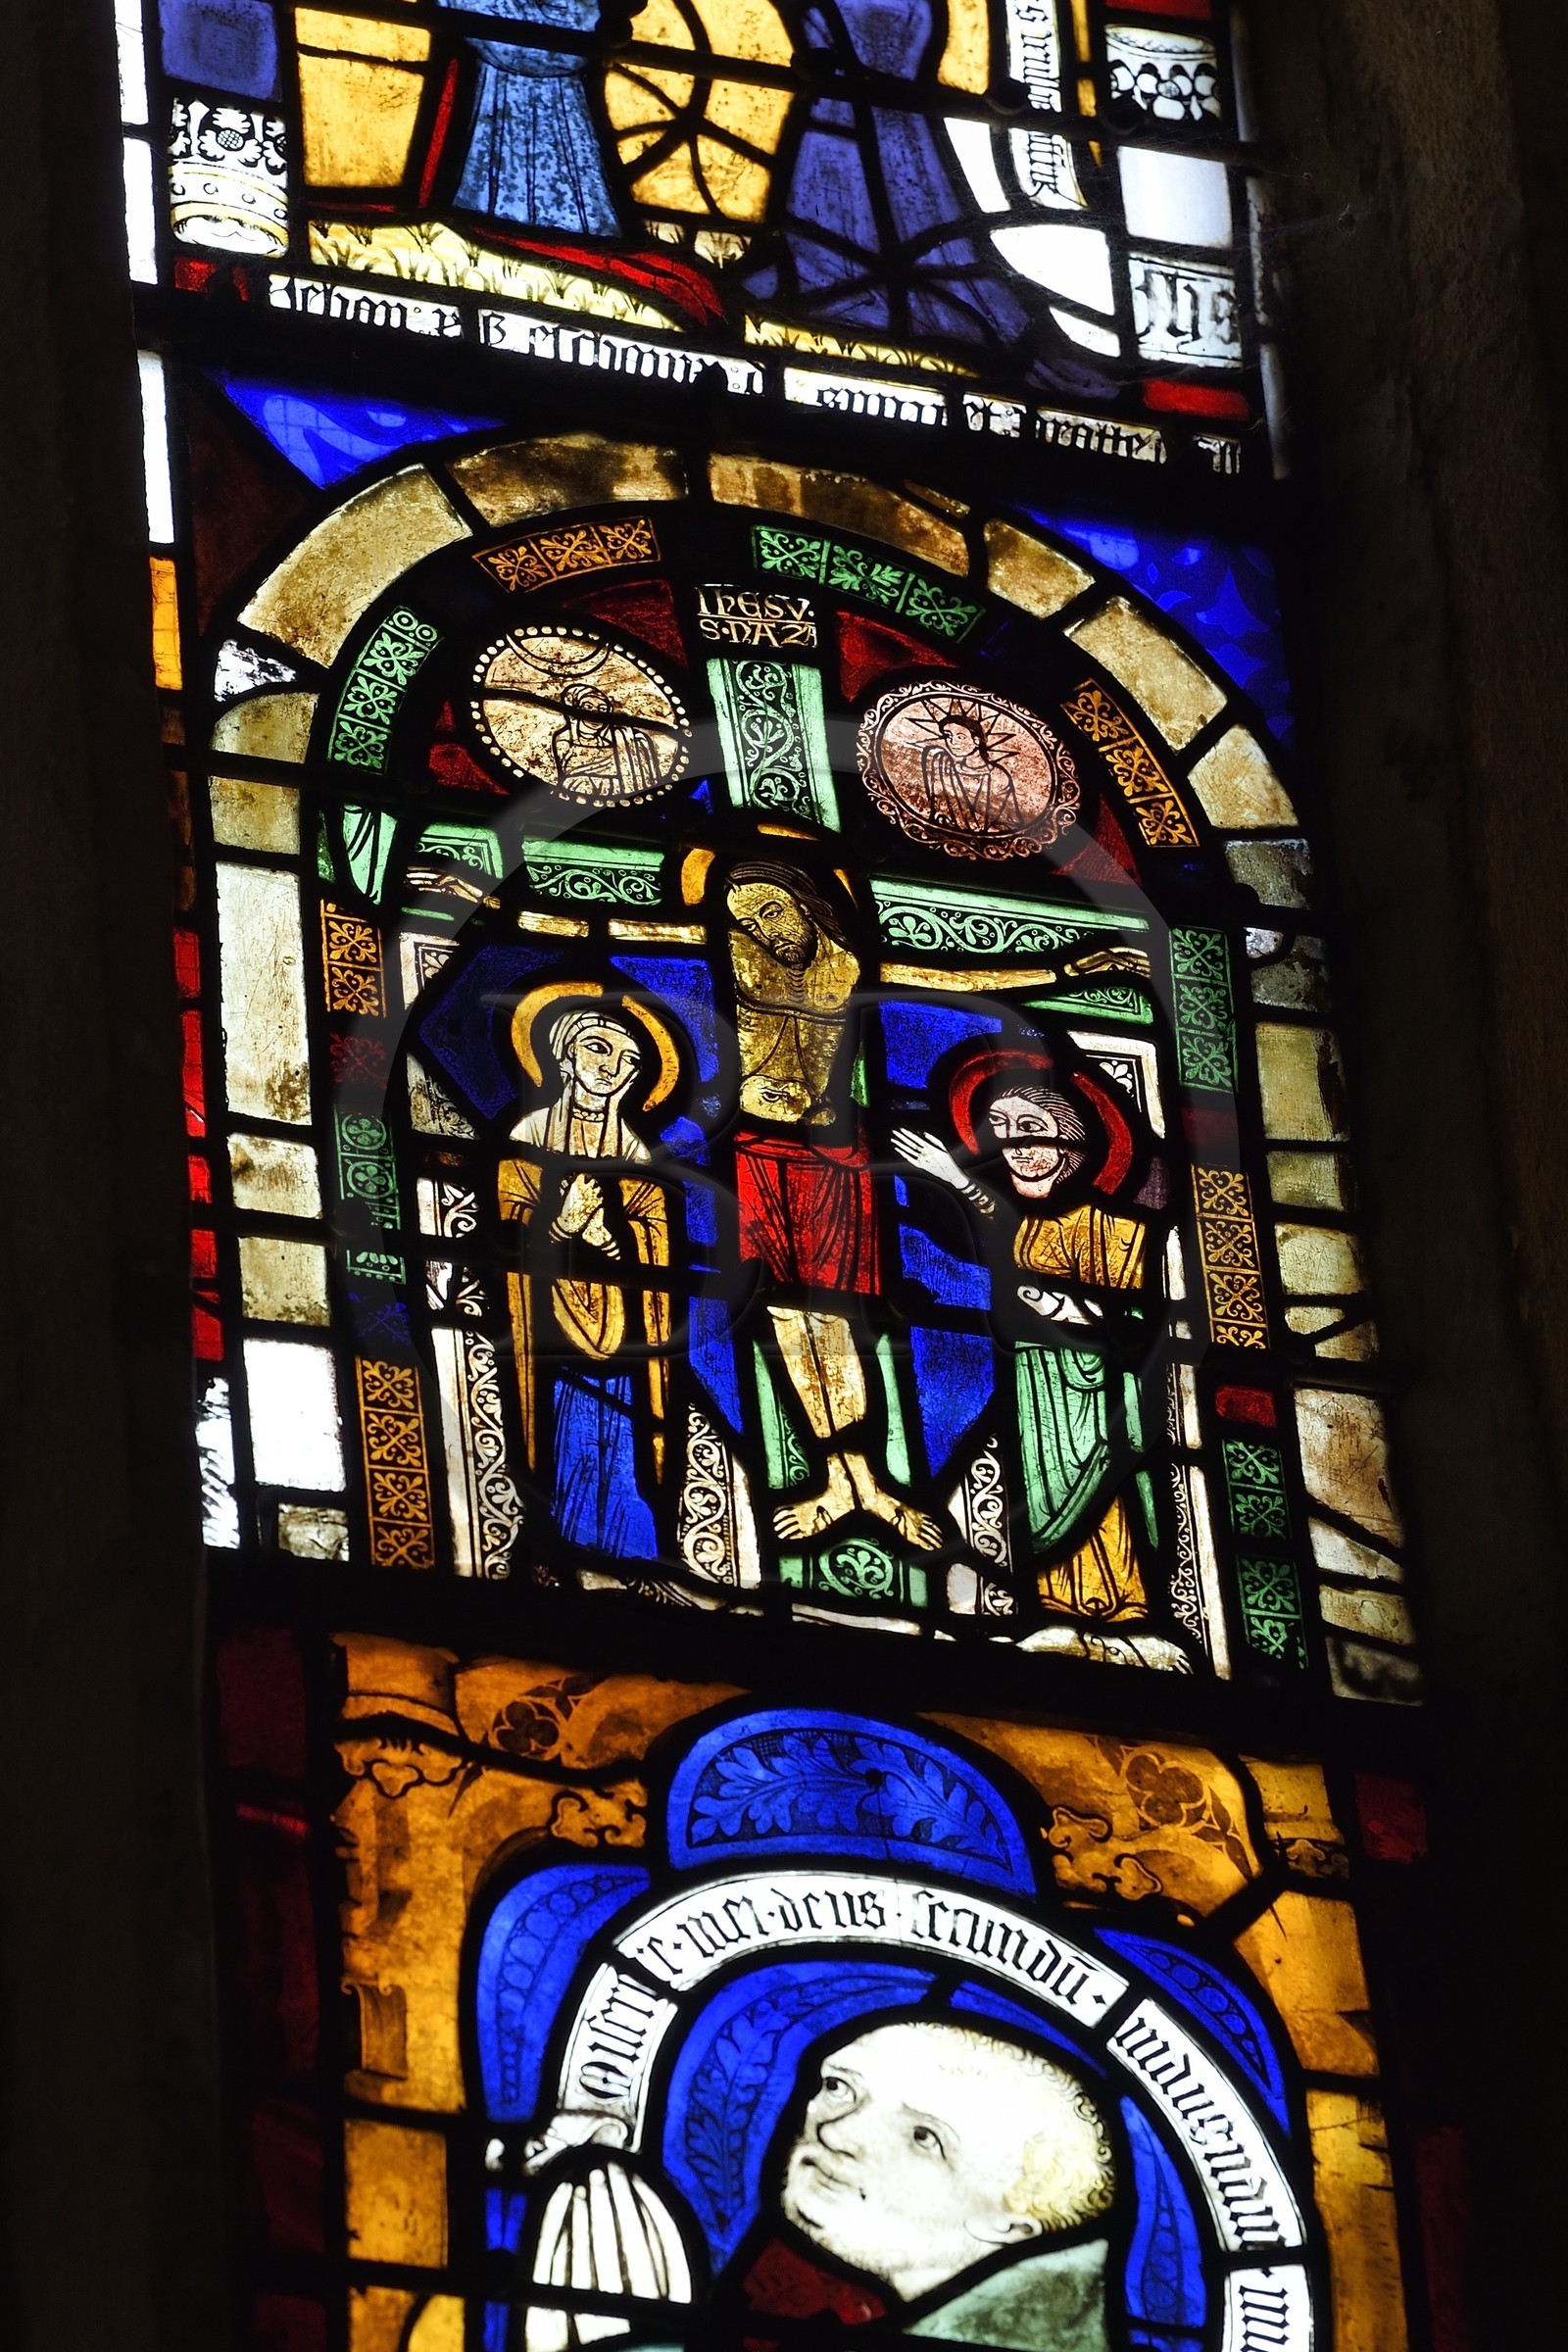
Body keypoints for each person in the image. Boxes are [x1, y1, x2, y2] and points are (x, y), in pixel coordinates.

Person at [517, 2018, 1114, 2352]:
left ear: (1011, 2219)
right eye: (840, 2088)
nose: (838, 2131)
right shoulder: (783, 2305)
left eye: (924, 2137)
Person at [725, 863, 942, 1552]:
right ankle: (833, 1478)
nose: (764, 929)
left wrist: (1068, 972)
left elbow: (953, 978)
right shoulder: (740, 963)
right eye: (749, 921)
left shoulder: (849, 965)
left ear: (805, 901)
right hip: (758, 1146)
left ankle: (865, 1481)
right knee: (787, 1316)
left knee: (838, 1319)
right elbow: (628, 929)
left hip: (833, 1155)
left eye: (773, 910)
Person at [894, 1060, 1151, 1621]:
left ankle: (1114, 1609)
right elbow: (996, 1226)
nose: (1020, 1150)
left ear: (1073, 1143)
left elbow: (1135, 1323)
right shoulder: (1023, 1223)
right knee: (1017, 1493)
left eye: (1034, 1131)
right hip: (1031, 1379)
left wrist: (1055, 1305)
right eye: (1004, 1136)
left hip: (1091, 1387)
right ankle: (1045, 1604)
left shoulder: (1120, 1230)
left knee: (1096, 1498)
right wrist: (950, 1177)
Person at [499, 998, 673, 1557]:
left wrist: (603, 1238)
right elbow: (507, 1237)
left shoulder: (637, 1154)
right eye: (597, 1048)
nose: (611, 1066)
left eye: (627, 1060)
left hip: (620, 1342)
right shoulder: (526, 1139)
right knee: (566, 1448)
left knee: (618, 1453)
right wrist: (562, 1225)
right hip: (548, 1337)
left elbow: (656, 1249)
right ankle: (559, 1540)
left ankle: (628, 1551)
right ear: (563, 1058)